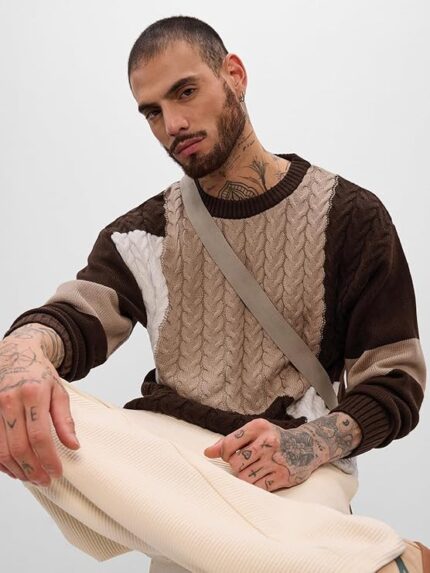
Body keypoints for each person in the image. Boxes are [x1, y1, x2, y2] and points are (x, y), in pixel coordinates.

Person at [0, 15, 428, 573]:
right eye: (152, 112)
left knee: (243, 548)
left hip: (294, 459)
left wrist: (307, 447)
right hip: (171, 463)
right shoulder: (141, 234)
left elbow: (394, 381)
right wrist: (20, 357)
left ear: (234, 76)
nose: (172, 124)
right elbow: (72, 319)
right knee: (33, 406)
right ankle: (376, 559)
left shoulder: (350, 218)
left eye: (185, 92)